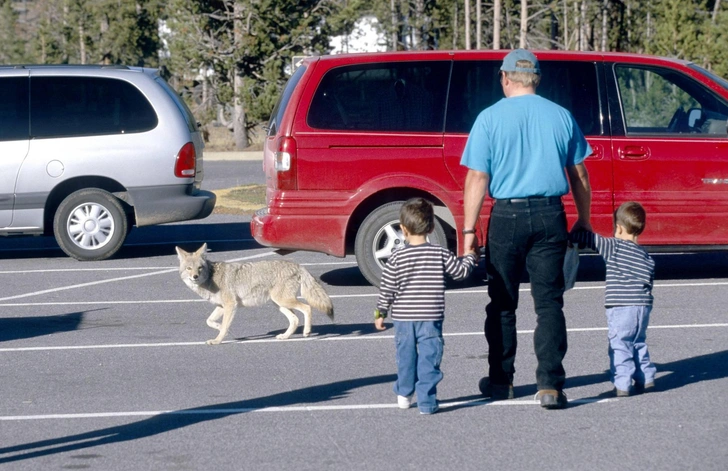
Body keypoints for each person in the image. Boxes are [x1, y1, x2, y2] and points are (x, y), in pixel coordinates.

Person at [460, 49, 593, 409]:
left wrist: (469, 231)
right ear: (536, 79)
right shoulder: (561, 115)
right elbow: (579, 174)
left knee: (502, 303)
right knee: (549, 303)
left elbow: (477, 176)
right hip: (551, 215)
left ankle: (501, 381)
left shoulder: (488, 118)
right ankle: (550, 384)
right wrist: (584, 219)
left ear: (505, 78)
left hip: (506, 216)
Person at [374, 197, 477, 415]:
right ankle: (427, 401)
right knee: (430, 359)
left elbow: (387, 287)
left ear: (403, 228)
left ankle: (404, 393)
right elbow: (460, 272)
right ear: (431, 227)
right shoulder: (439, 253)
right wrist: (469, 258)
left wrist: (380, 312)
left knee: (405, 357)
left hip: (402, 319)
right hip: (431, 318)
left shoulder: (396, 257)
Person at [570, 201, 656, 396]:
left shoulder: (613, 247)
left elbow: (589, 238)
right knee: (638, 342)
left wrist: (574, 234)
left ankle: (622, 384)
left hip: (620, 307)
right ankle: (646, 378)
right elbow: (649, 283)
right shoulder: (646, 256)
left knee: (620, 344)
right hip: (642, 308)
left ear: (618, 227)